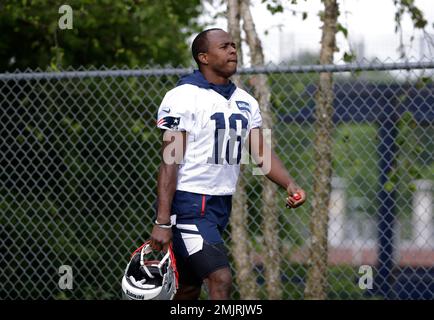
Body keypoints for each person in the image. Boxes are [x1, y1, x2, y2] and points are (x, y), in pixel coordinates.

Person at [150, 28, 306, 300]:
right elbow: (169, 161)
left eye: (234, 45)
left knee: (187, 288)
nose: (233, 50)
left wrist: (289, 184)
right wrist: (162, 221)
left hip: (221, 204)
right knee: (220, 279)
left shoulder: (246, 101)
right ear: (204, 57)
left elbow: (261, 155)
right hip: (190, 205)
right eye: (224, 46)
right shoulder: (183, 96)